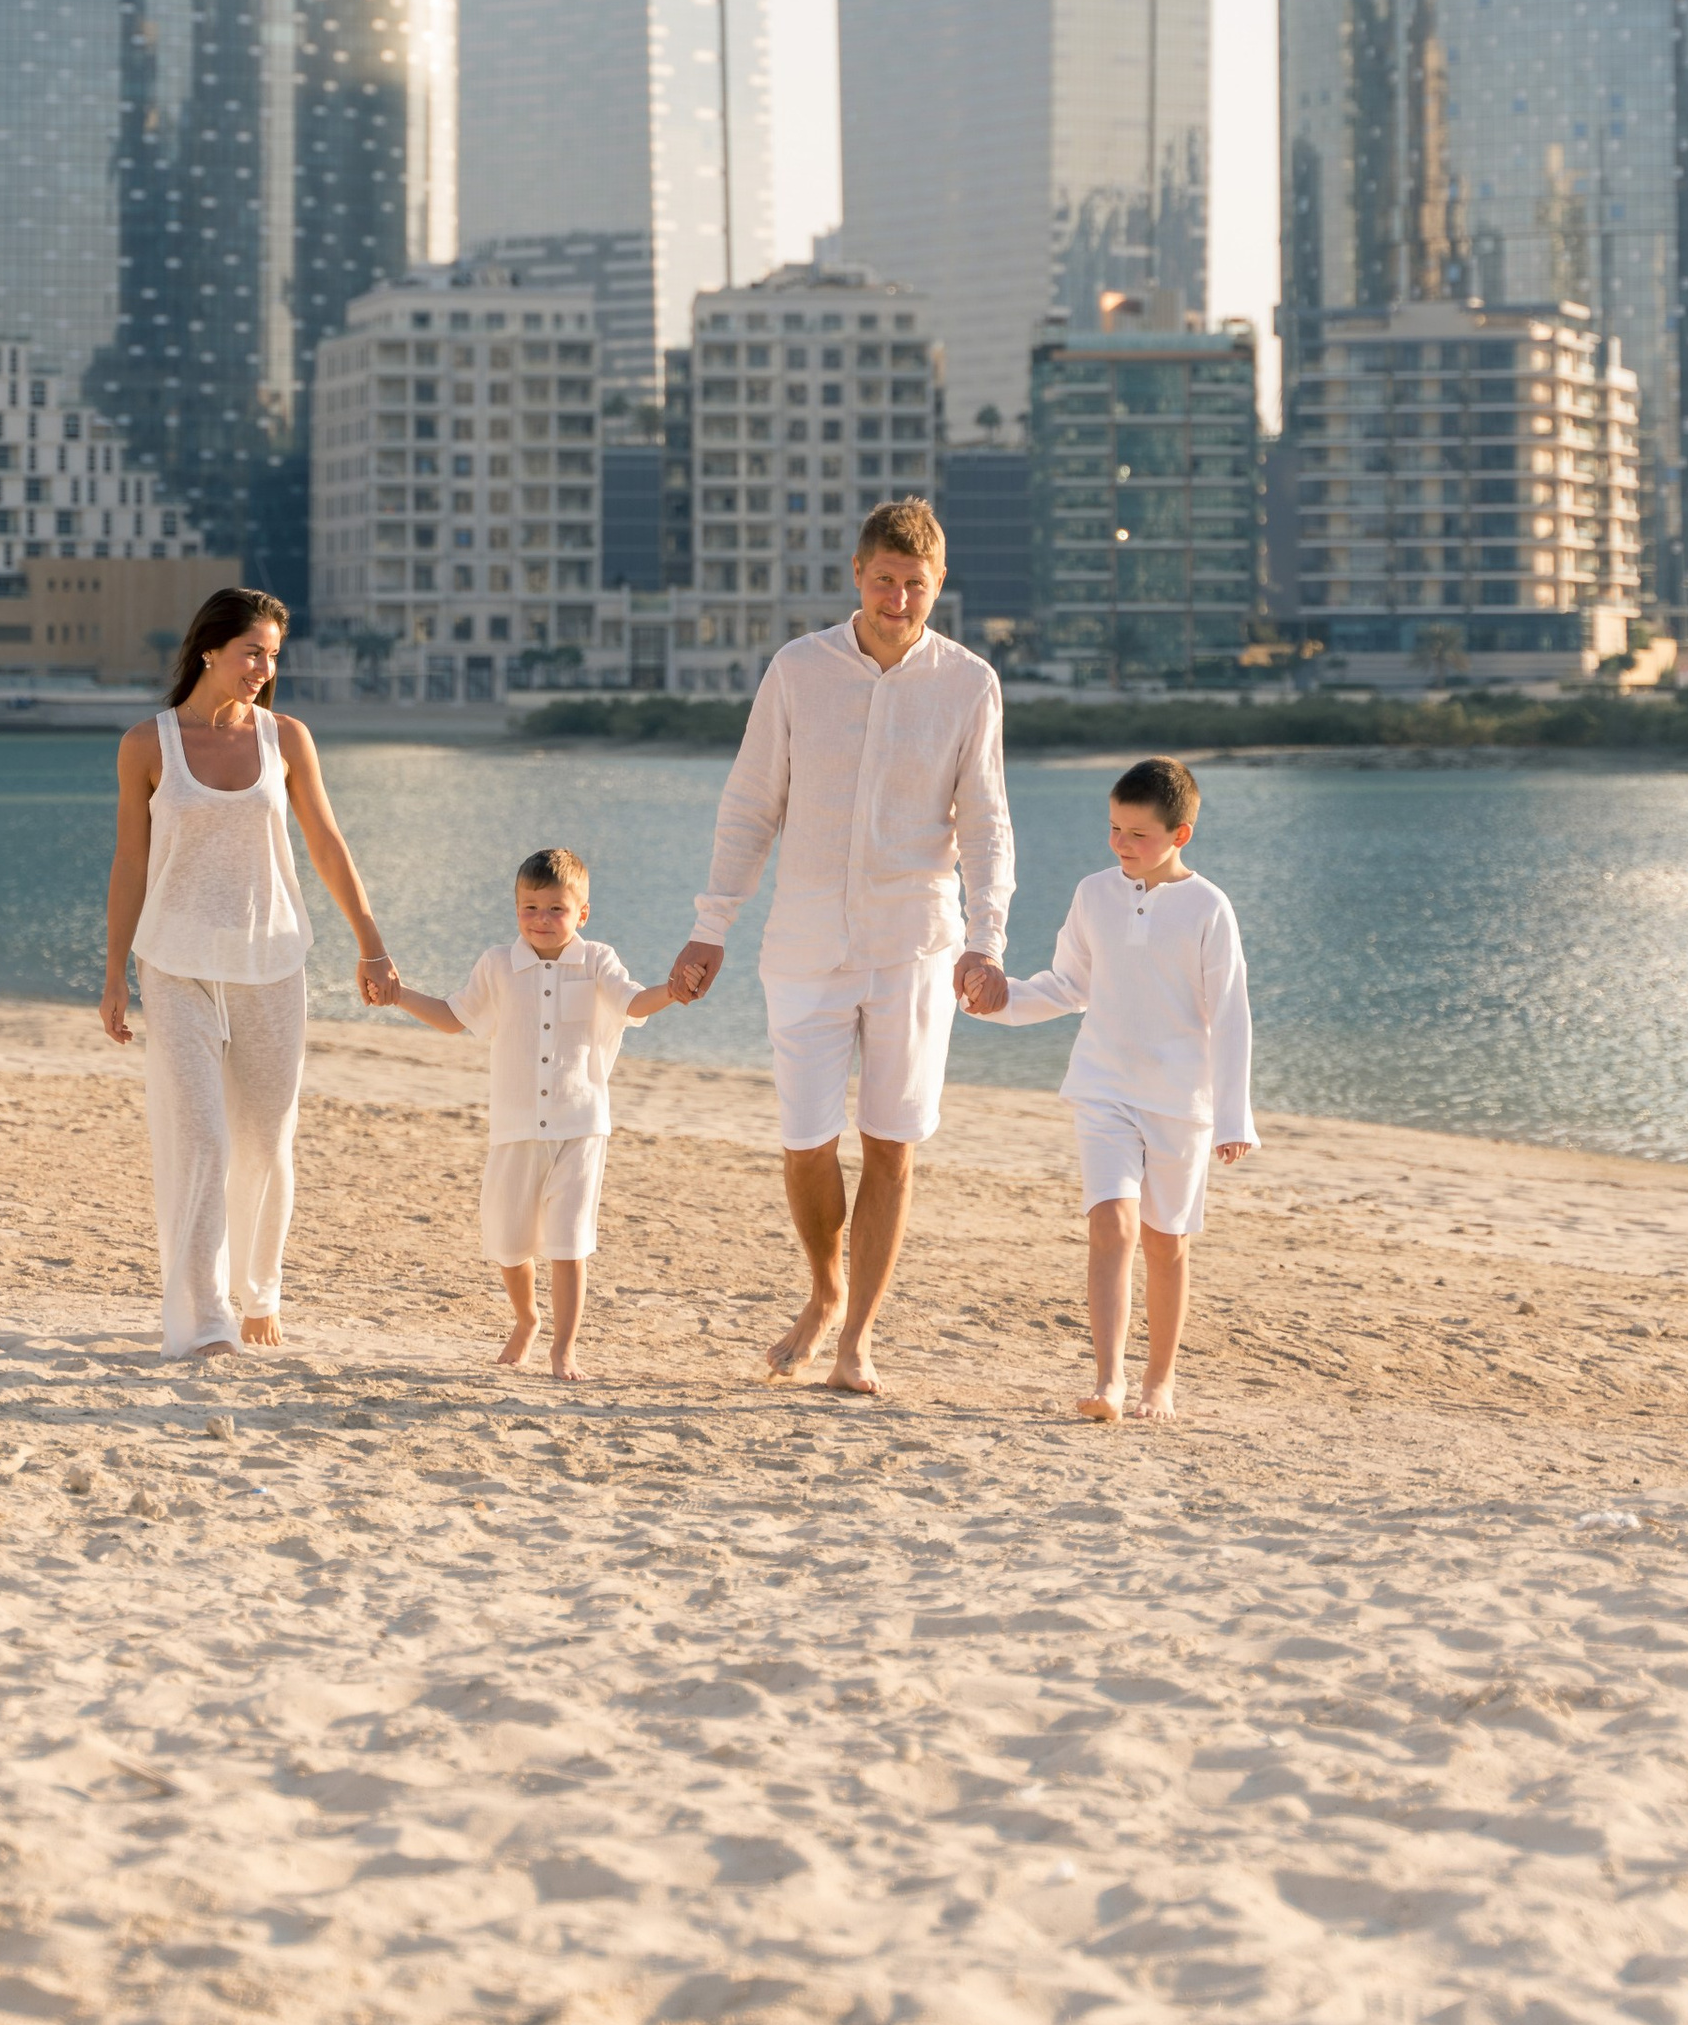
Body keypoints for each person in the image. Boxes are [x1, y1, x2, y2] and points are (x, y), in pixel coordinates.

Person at [666, 495, 1013, 1398]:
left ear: (940, 586)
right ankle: (824, 1291)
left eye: (917, 586)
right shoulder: (798, 669)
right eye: (885, 581)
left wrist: (987, 940)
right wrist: (711, 925)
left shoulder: (969, 682)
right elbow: (751, 805)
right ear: (857, 575)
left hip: (915, 945)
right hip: (806, 942)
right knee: (805, 1140)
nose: (899, 600)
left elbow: (986, 824)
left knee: (891, 1144)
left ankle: (856, 1336)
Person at [99, 585, 397, 1361]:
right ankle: (206, 1319)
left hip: (271, 962)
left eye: (272, 656)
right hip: (176, 964)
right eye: (251, 652)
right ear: (209, 649)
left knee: (265, 1141)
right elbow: (130, 861)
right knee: (201, 1139)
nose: (263, 668)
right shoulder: (147, 746)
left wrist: (369, 941)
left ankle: (258, 1290)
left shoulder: (286, 738)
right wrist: (114, 972)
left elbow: (326, 842)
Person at [996, 754, 1256, 1425]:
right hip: (1103, 1086)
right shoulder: (1093, 894)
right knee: (1111, 1226)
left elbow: (1230, 1014)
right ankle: (1109, 1381)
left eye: (1138, 834)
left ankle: (1158, 1382)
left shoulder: (1208, 907)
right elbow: (1068, 985)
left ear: (1179, 834)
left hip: (1181, 1101)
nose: (1120, 843)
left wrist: (1234, 1117)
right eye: (1114, 827)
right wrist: (999, 1001)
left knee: (1166, 1243)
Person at [385, 844, 676, 1381]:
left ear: (582, 913)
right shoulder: (498, 964)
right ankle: (527, 1319)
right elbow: (452, 1017)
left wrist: (674, 992)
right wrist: (397, 995)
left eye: (556, 909)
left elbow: (633, 1004)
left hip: (580, 1125)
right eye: (530, 908)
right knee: (508, 1240)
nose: (541, 919)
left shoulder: (598, 960)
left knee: (569, 1241)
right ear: (516, 908)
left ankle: (565, 1349)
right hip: (515, 1127)